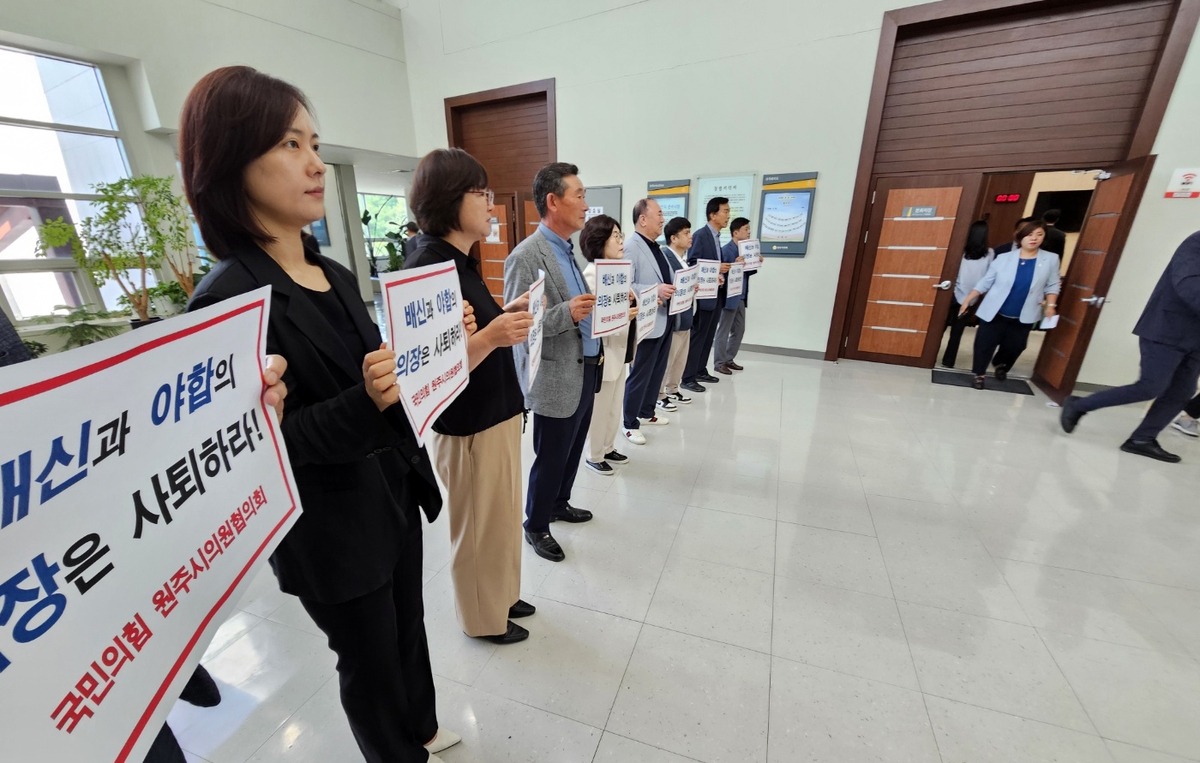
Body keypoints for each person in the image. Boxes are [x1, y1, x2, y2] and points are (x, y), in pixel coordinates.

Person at [180, 66, 458, 762]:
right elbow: (271, 442)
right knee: (369, 662)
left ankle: (421, 729)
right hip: (330, 529)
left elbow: (380, 380)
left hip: (391, 492)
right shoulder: (226, 300)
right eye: (287, 144)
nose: (313, 163)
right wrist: (368, 400)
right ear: (229, 163)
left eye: (315, 141)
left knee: (408, 628)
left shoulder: (330, 270)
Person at [404, 148, 537, 646]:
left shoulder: (458, 259)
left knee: (500, 516)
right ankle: (482, 618)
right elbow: (428, 367)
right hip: (467, 422)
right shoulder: (426, 265)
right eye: (479, 194)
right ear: (448, 200)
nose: (489, 204)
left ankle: (501, 595)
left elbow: (467, 330)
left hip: (494, 411)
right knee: (478, 526)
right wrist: (491, 336)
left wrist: (506, 314)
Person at [503, 162, 597, 563]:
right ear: (553, 201)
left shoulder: (567, 250)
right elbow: (518, 325)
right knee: (551, 454)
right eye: (579, 195)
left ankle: (560, 503)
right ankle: (536, 524)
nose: (586, 204)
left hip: (586, 366)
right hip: (556, 374)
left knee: (573, 448)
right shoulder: (527, 255)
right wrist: (567, 313)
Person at [1061, 231, 1200, 463]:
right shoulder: (1196, 242)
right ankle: (1080, 405)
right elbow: (1188, 284)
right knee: (1150, 386)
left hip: (1196, 339)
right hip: (1166, 328)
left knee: (1182, 392)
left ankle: (1142, 439)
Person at [960, 219, 1060, 390]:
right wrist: (969, 299)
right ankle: (979, 375)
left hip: (1025, 313)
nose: (1033, 238)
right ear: (1021, 237)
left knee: (1016, 346)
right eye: (1029, 234)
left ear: (1044, 238)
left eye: (1039, 235)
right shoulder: (1004, 258)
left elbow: (1052, 284)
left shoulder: (1050, 259)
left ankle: (1000, 362)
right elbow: (986, 281)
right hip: (995, 311)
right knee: (984, 344)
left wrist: (1051, 305)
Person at [580, 214, 638, 474]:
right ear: (599, 241)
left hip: (621, 349)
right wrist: (625, 313)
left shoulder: (619, 272)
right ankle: (594, 454)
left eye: (620, 235)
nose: (620, 241)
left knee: (615, 404)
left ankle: (608, 446)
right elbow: (594, 320)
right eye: (615, 236)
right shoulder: (592, 276)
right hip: (603, 352)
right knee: (601, 408)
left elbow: (627, 302)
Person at [622, 198, 676, 444]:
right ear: (643, 219)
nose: (663, 219)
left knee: (657, 370)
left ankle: (646, 411)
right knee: (640, 372)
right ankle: (629, 422)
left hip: (664, 318)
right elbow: (627, 286)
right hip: (645, 322)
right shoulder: (632, 247)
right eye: (659, 214)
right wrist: (656, 290)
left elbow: (668, 278)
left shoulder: (659, 248)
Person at [681, 197, 731, 393]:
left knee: (709, 335)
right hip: (702, 296)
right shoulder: (701, 235)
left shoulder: (717, 237)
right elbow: (692, 263)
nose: (728, 215)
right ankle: (687, 376)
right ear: (713, 214)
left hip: (715, 294)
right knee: (698, 336)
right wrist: (716, 268)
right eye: (725, 211)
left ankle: (700, 369)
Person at [942, 220, 994, 368]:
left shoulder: (961, 250)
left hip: (952, 293)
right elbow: (988, 276)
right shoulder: (989, 253)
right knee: (957, 332)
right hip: (972, 296)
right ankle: (948, 362)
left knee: (941, 327)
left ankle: (931, 355)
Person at [659, 216, 695, 409]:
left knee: (680, 357)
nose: (690, 237)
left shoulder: (683, 259)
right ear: (673, 238)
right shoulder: (666, 256)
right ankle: (660, 393)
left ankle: (673, 388)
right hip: (674, 317)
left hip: (686, 315)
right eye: (686, 233)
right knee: (669, 358)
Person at [713, 217, 754, 375]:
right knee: (724, 329)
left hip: (741, 295)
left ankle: (728, 358)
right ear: (736, 233)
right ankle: (719, 362)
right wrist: (735, 265)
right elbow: (721, 274)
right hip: (730, 297)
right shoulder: (726, 250)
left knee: (739, 329)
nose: (749, 231)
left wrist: (755, 262)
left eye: (749, 229)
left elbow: (748, 272)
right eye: (746, 229)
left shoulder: (746, 250)